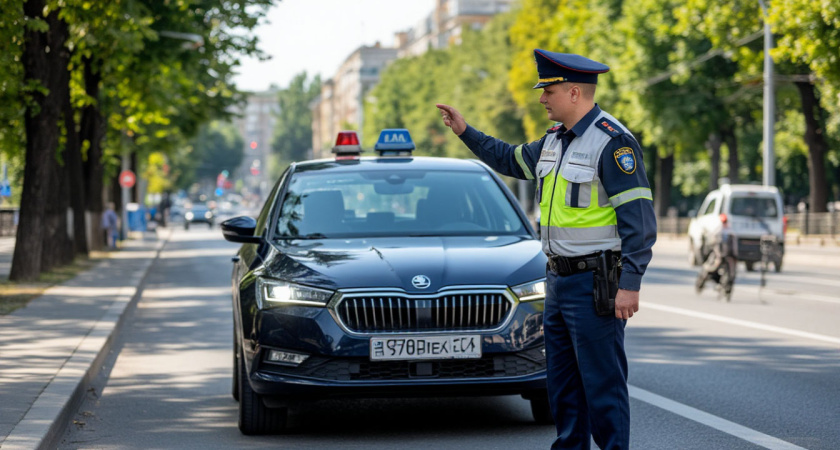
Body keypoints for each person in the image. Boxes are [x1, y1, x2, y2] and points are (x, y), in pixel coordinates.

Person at [436, 49, 657, 449]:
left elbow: (639, 222)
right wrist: (466, 131)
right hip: (556, 281)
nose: (542, 98)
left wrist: (631, 283)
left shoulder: (613, 143)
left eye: (548, 90)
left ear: (574, 92)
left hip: (596, 283)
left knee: (603, 387)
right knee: (563, 387)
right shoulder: (554, 141)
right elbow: (508, 158)